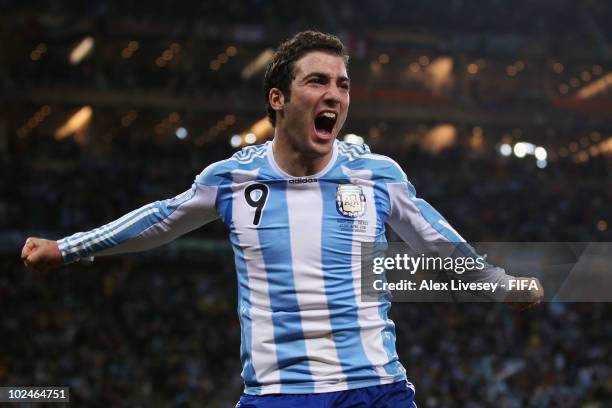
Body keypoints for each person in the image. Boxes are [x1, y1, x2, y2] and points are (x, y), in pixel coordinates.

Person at [21, 31, 543, 407]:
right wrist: (68, 247)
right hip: (278, 395)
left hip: (375, 388)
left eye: (342, 84)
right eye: (318, 81)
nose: (334, 95)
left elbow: (437, 242)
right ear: (279, 99)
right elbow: (160, 220)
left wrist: (500, 283)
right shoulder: (231, 180)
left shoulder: (376, 174)